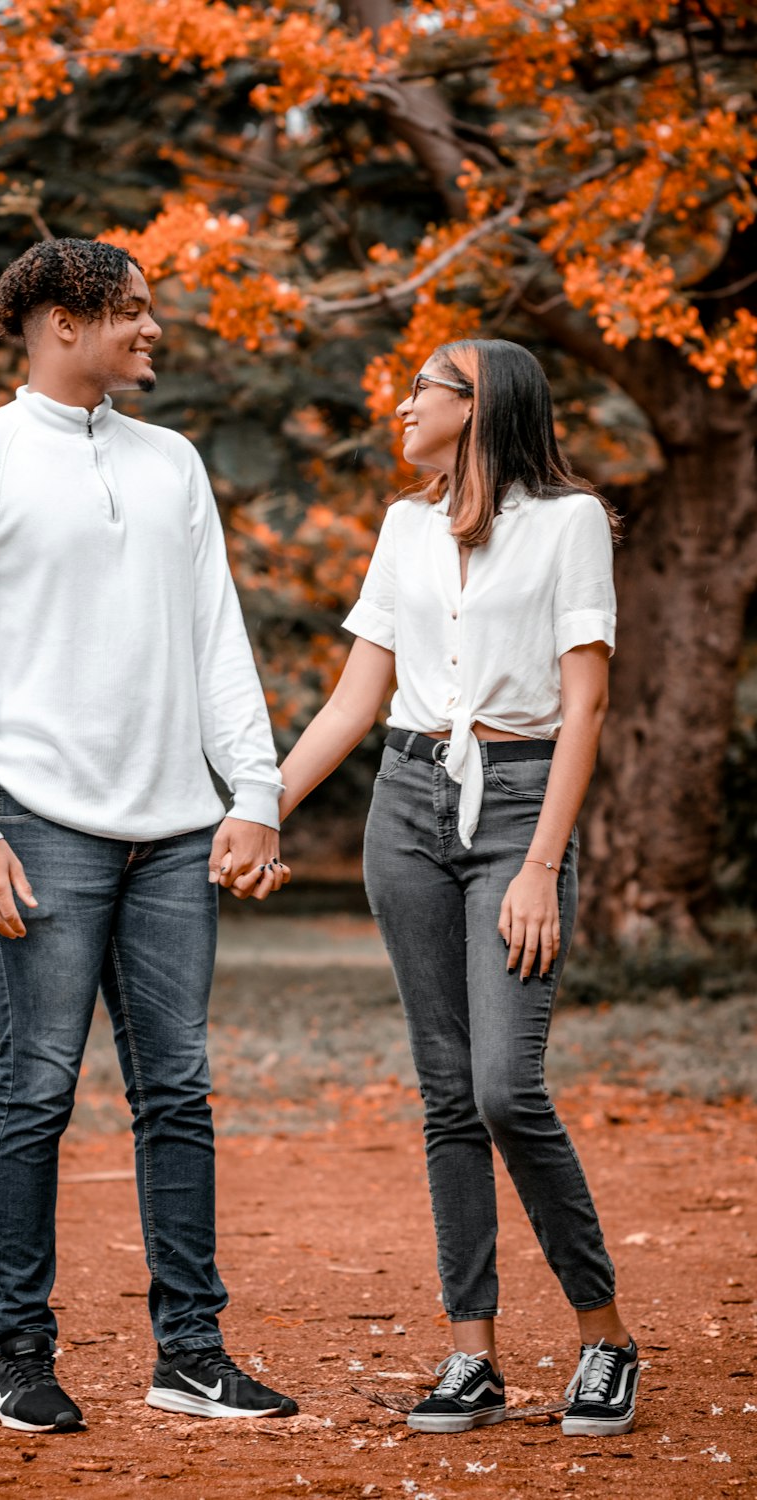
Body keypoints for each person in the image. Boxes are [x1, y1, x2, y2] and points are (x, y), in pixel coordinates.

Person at [0, 237, 297, 1433]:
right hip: (39, 820)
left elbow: (216, 635)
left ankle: (190, 1352)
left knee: (177, 1091)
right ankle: (17, 1354)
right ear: (60, 322)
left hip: (178, 827)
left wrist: (256, 790)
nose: (152, 330)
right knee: (35, 1091)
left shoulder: (172, 460)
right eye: (130, 313)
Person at [239, 338, 637, 1438]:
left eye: (423, 386)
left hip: (516, 807)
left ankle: (604, 1337)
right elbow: (351, 700)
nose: (402, 400)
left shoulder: (569, 525)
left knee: (509, 1086)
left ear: (479, 406)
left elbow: (585, 709)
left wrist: (543, 868)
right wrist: (259, 806)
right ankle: (473, 1355)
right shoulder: (403, 528)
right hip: (406, 805)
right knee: (447, 1092)